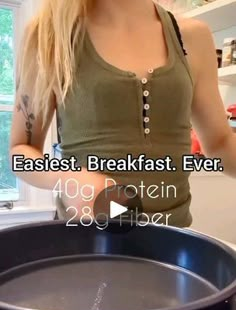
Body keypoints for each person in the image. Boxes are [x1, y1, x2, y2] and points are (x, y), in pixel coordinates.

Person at [10, 0, 236, 227]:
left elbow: (220, 142)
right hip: (86, 243)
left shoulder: (193, 37)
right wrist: (66, 178)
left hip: (172, 245)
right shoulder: (49, 35)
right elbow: (19, 152)